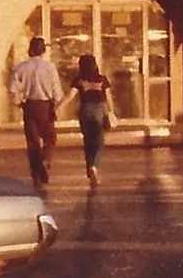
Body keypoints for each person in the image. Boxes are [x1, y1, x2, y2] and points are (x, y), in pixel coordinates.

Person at [8, 36, 66, 191]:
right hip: (45, 106)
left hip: (29, 105)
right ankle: (45, 159)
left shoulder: (21, 67)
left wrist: (19, 103)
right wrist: (56, 106)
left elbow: (12, 88)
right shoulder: (49, 68)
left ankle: (36, 176)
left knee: (32, 141)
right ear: (43, 50)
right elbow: (57, 92)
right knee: (50, 137)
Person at [67, 53, 113, 187]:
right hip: (99, 109)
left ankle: (89, 168)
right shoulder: (102, 79)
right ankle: (94, 167)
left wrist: (58, 107)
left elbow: (71, 96)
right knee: (99, 141)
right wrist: (111, 112)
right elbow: (108, 98)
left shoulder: (79, 79)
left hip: (85, 110)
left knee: (87, 141)